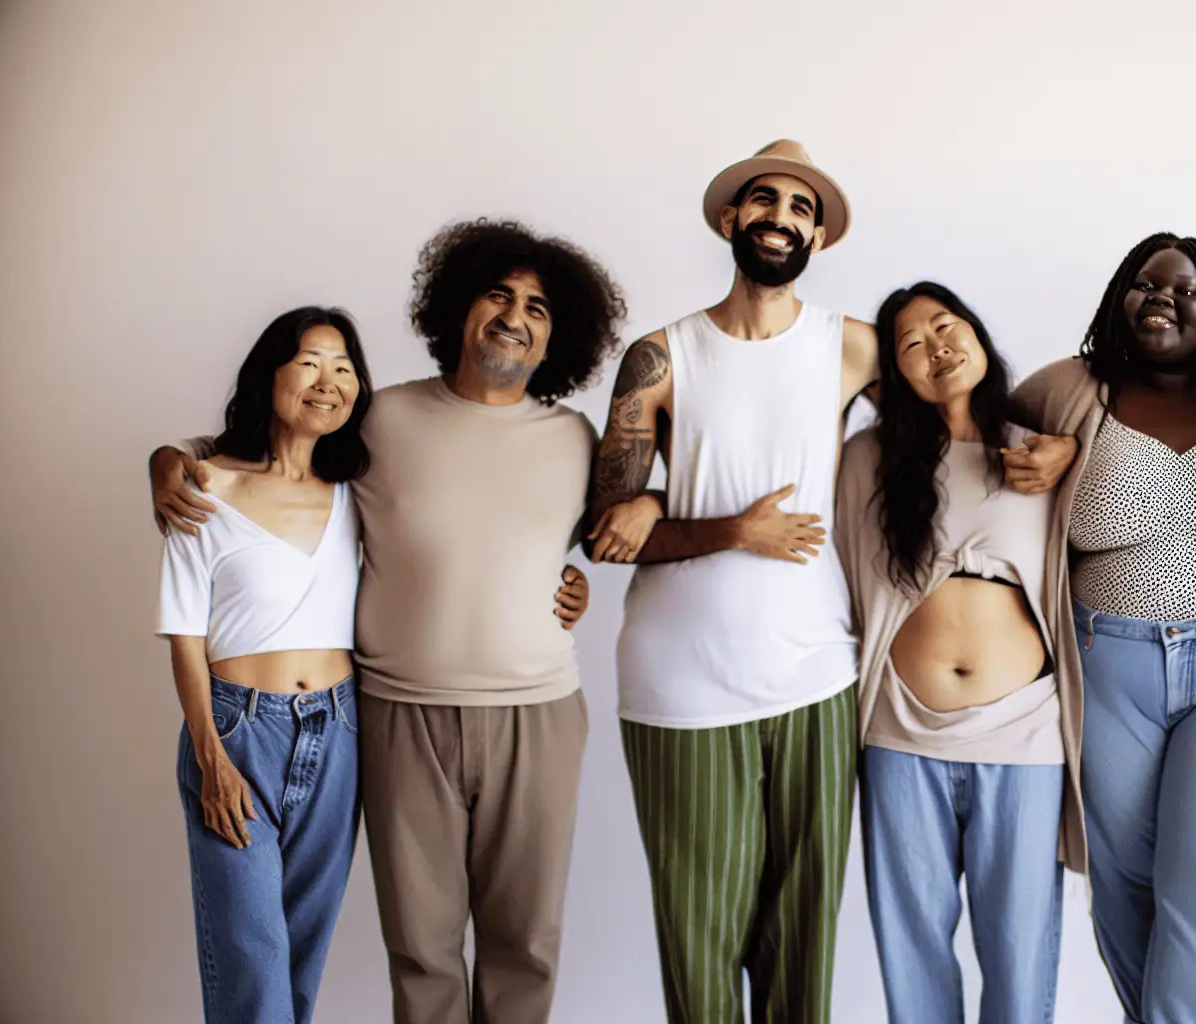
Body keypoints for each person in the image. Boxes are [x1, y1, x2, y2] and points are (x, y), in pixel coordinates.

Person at [580, 141, 1078, 1022]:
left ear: (818, 238)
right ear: (731, 219)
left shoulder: (854, 347)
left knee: (803, 946)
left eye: (802, 209)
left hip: (818, 678)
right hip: (682, 683)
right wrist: (723, 526)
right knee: (703, 941)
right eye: (763, 202)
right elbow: (609, 530)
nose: (781, 218)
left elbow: (964, 398)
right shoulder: (659, 357)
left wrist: (1066, 438)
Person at [149, 219, 620, 1024]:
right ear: (457, 310)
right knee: (421, 946)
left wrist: (573, 582)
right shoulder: (381, 420)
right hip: (399, 714)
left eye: (539, 307)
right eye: (498, 294)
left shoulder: (576, 437)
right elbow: (265, 447)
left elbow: (578, 546)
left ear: (558, 336)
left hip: (537, 714)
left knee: (527, 943)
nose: (516, 315)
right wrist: (163, 461)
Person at [1011, 233, 1196, 1024]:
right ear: (1119, 297)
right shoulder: (1066, 391)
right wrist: (1029, 453)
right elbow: (971, 433)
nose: (1164, 299)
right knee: (1126, 884)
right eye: (1146, 284)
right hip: (1105, 665)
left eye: (1187, 290)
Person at [837, 282, 1077, 1024]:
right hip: (901, 734)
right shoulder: (868, 460)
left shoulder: (1037, 451)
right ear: (892, 375)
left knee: (1019, 947)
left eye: (946, 326)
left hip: (1025, 732)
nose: (936, 346)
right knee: (912, 945)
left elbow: (1110, 380)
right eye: (911, 343)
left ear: (977, 332)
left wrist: (1069, 446)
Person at [160, 306, 373, 1024]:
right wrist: (210, 753)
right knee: (253, 963)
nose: (329, 380)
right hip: (238, 733)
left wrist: (566, 584)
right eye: (310, 361)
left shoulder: (361, 494)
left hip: (342, 730)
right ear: (270, 374)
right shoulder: (204, 489)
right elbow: (185, 635)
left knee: (300, 961)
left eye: (344, 367)